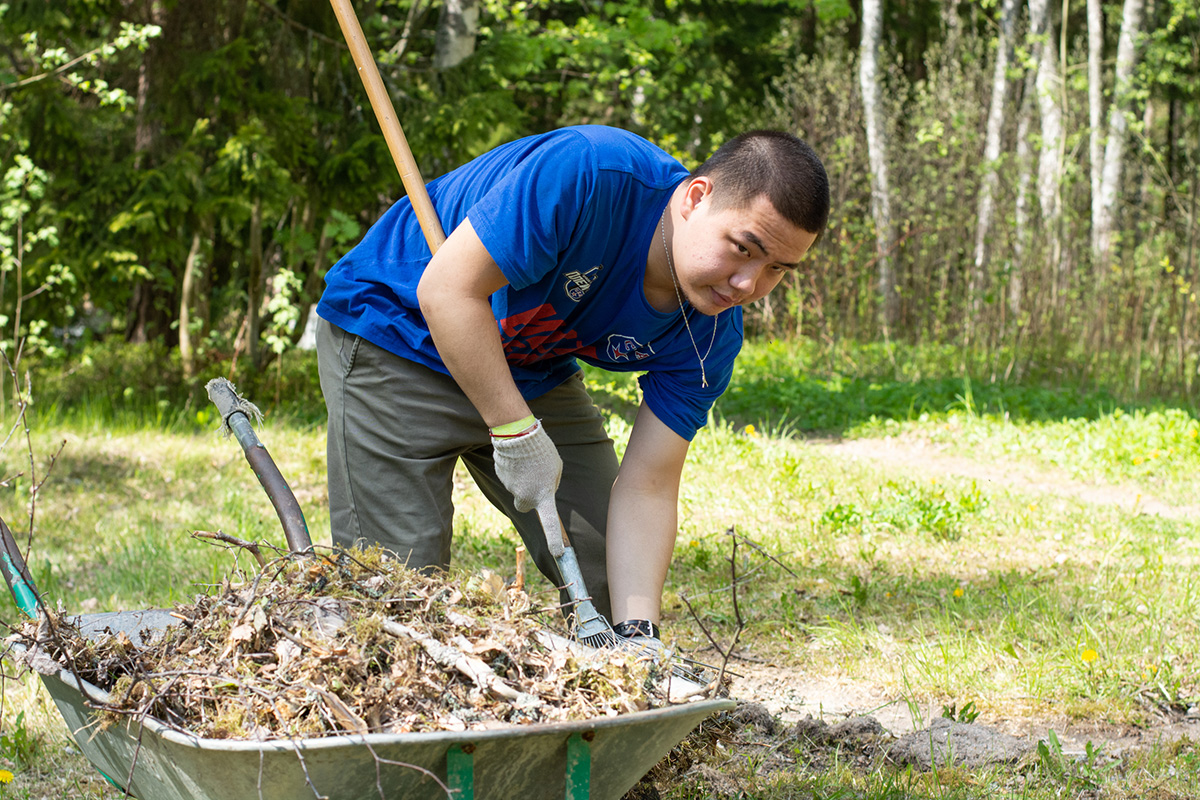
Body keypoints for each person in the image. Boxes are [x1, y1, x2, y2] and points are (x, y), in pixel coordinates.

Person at [315, 125, 829, 651]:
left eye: (777, 271)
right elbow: (446, 291)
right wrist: (514, 433)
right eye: (744, 249)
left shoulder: (712, 332)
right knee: (399, 603)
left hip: (527, 364)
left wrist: (640, 636)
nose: (749, 285)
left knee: (613, 572)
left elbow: (649, 484)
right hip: (399, 332)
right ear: (697, 198)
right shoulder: (589, 176)